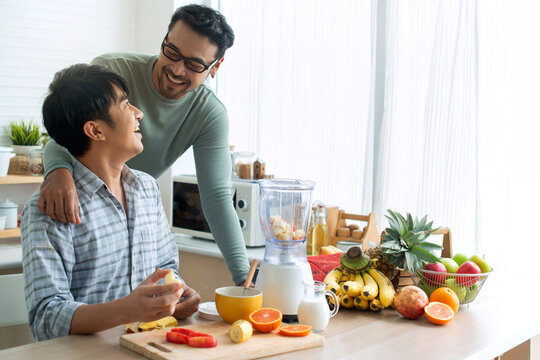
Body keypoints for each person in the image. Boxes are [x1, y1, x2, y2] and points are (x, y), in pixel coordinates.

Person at [38, 4, 250, 286]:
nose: (176, 69)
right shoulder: (113, 72)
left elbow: (217, 197)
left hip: (132, 211)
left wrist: (245, 280)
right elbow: (64, 133)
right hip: (79, 207)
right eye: (171, 52)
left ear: (215, 67)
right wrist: (57, 172)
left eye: (194, 64)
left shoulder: (208, 115)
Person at [21, 64, 200, 341]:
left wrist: (177, 292)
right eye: (126, 105)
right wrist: (127, 310)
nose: (138, 113)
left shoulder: (146, 189)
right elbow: (46, 317)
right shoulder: (46, 209)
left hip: (151, 346)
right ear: (95, 130)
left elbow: (166, 266)